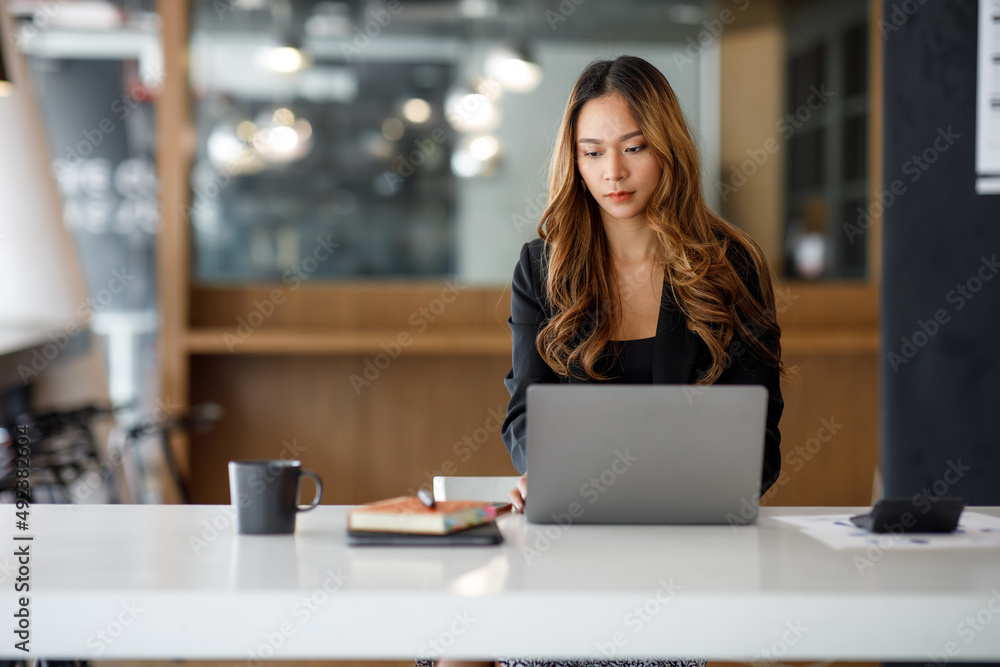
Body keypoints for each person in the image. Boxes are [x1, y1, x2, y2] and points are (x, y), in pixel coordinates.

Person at [425, 54, 787, 667]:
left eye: (634, 147)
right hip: (567, 533)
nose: (612, 172)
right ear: (575, 160)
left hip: (688, 545)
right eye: (591, 152)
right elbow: (524, 414)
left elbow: (762, 442)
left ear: (669, 148)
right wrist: (549, 472)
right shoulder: (542, 269)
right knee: (454, 648)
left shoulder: (732, 267)